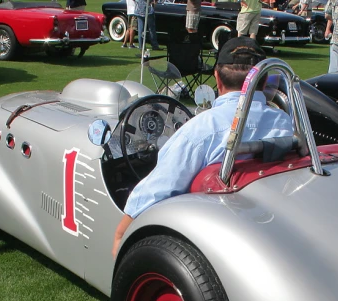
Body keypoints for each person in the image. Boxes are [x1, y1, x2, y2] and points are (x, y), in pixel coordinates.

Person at [112, 37, 295, 256]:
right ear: (264, 83)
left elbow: (157, 190)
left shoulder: (202, 130)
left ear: (217, 78)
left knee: (121, 236)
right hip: (269, 224)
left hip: (214, 240)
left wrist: (120, 234)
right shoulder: (285, 123)